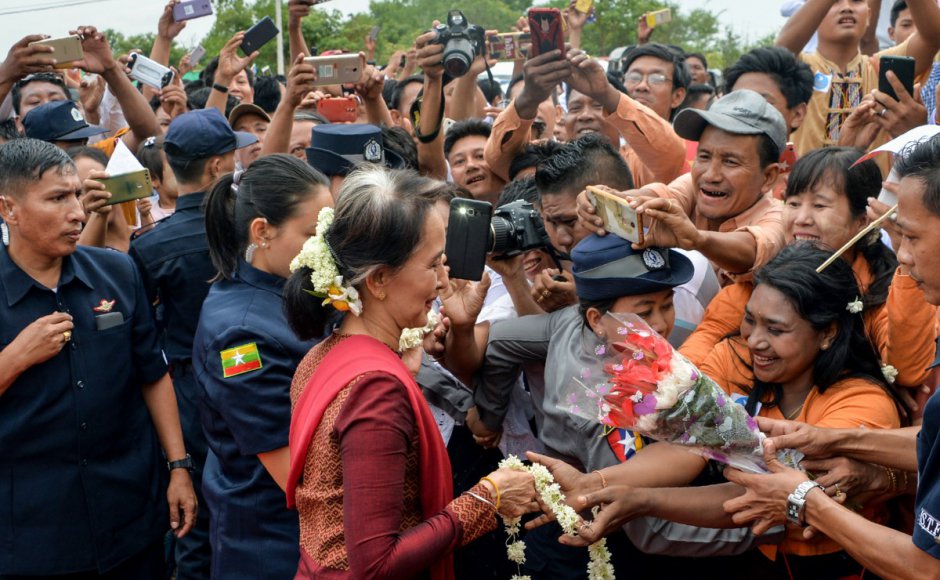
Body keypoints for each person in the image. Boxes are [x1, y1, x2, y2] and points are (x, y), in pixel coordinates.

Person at [532, 242, 907, 578]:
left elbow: (764, 496)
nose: (755, 340)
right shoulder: (735, 359)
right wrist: (598, 483)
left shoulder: (861, 401)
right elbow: (685, 448)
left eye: (775, 330)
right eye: (750, 320)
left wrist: (640, 499)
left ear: (827, 332)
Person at [284, 166, 537, 578]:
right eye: (433, 265)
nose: (443, 282)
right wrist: (489, 497)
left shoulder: (326, 355)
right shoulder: (376, 389)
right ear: (380, 279)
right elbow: (376, 563)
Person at [721, 135, 940, 579]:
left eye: (911, 236)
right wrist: (829, 439)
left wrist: (803, 499)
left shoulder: (860, 395)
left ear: (827, 333)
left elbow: (925, 568)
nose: (903, 256)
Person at [0, 138, 196, 578]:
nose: (76, 212)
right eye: (56, 198)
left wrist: (179, 467)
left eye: (75, 195)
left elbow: (152, 373)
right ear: (8, 209)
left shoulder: (116, 271)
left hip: (128, 516)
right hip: (33, 534)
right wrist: (13, 359)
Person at [679, 147, 936, 395]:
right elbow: (697, 353)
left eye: (819, 206)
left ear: (863, 221)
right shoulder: (764, 284)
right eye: (793, 203)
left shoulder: (886, 290)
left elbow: (907, 371)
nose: (801, 218)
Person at [129, 107, 258, 579]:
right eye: (232, 154)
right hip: (255, 380)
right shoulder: (252, 227)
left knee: (193, 526)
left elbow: (143, 341)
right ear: (217, 166)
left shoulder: (148, 246)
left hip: (185, 399)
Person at [193, 154, 333, 579]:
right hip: (274, 545)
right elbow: (293, 472)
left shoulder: (292, 288)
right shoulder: (241, 333)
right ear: (263, 231)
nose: (328, 247)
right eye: (313, 234)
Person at [577, 89, 787, 285]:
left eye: (730, 162)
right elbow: (658, 196)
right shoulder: (694, 185)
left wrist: (697, 240)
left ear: (769, 177)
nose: (711, 175)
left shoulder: (780, 217)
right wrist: (605, 199)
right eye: (704, 156)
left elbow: (754, 248)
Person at [775, 0, 940, 153]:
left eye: (856, 0)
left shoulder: (881, 67)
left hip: (875, 184)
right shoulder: (800, 69)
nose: (847, 7)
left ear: (868, 16)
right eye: (835, 1)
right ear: (816, 14)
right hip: (806, 183)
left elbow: (933, 37)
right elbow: (781, 51)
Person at [443, 119, 506, 207]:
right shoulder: (443, 219)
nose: (470, 165)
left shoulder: (529, 204)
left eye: (480, 156)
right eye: (460, 161)